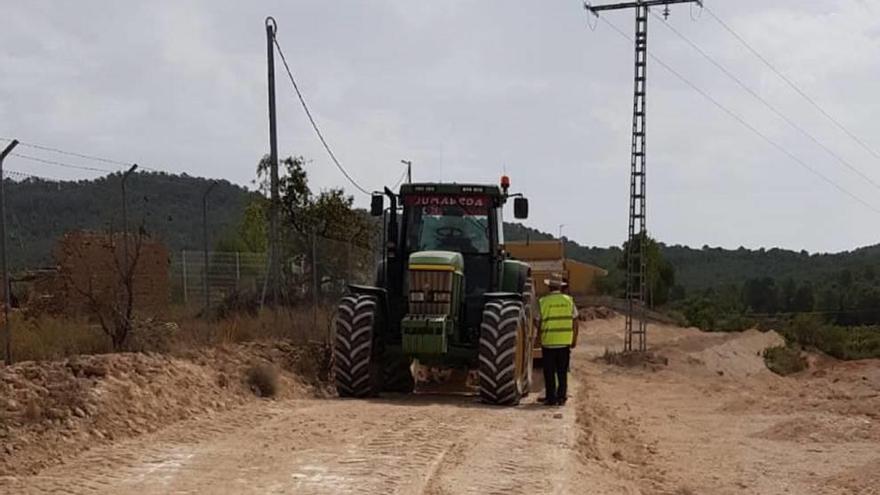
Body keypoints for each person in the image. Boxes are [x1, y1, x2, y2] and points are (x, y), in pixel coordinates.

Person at [537, 276, 578, 406]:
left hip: (548, 342)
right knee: (562, 371)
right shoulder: (569, 301)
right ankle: (561, 397)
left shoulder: (543, 301)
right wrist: (574, 338)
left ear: (549, 287)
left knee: (549, 372)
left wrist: (538, 338)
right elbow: (575, 321)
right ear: (560, 287)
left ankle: (551, 398)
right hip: (564, 342)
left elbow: (538, 321)